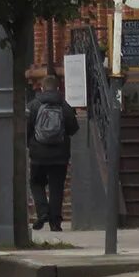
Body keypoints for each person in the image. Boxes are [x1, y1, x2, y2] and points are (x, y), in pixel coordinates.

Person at [26, 74, 79, 232]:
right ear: (58, 88)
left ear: (42, 88)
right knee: (57, 188)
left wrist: (32, 144)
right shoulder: (64, 105)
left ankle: (43, 212)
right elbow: (73, 128)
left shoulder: (34, 105)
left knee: (36, 183)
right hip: (59, 155)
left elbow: (27, 128)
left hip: (38, 154)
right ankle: (55, 222)